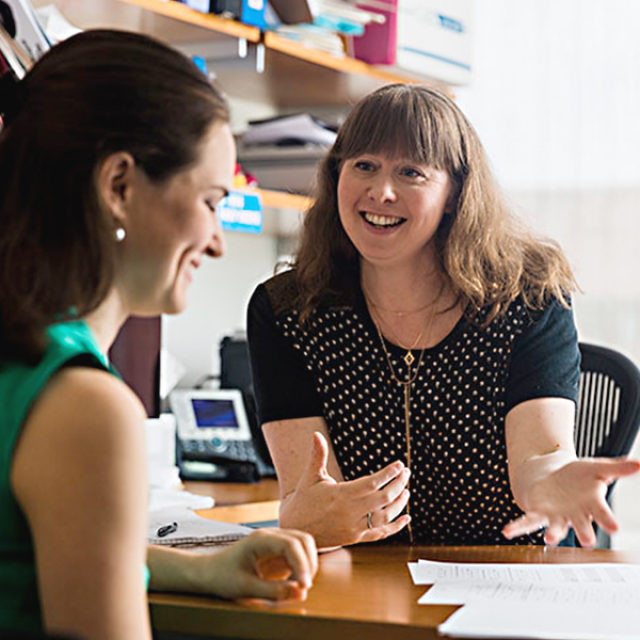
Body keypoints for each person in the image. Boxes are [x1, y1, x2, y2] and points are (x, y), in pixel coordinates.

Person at [0, 30, 317, 640]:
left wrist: (202, 571)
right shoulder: (83, 407)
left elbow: (47, 553)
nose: (219, 241)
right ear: (119, 186)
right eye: (211, 200)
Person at [247, 83, 640, 551]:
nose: (381, 191)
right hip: (372, 586)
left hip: (508, 575)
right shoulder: (290, 311)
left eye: (411, 172)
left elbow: (539, 457)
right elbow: (311, 499)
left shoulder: (528, 297)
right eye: (364, 166)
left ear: (455, 193)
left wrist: (555, 479)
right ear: (337, 178)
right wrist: (304, 516)